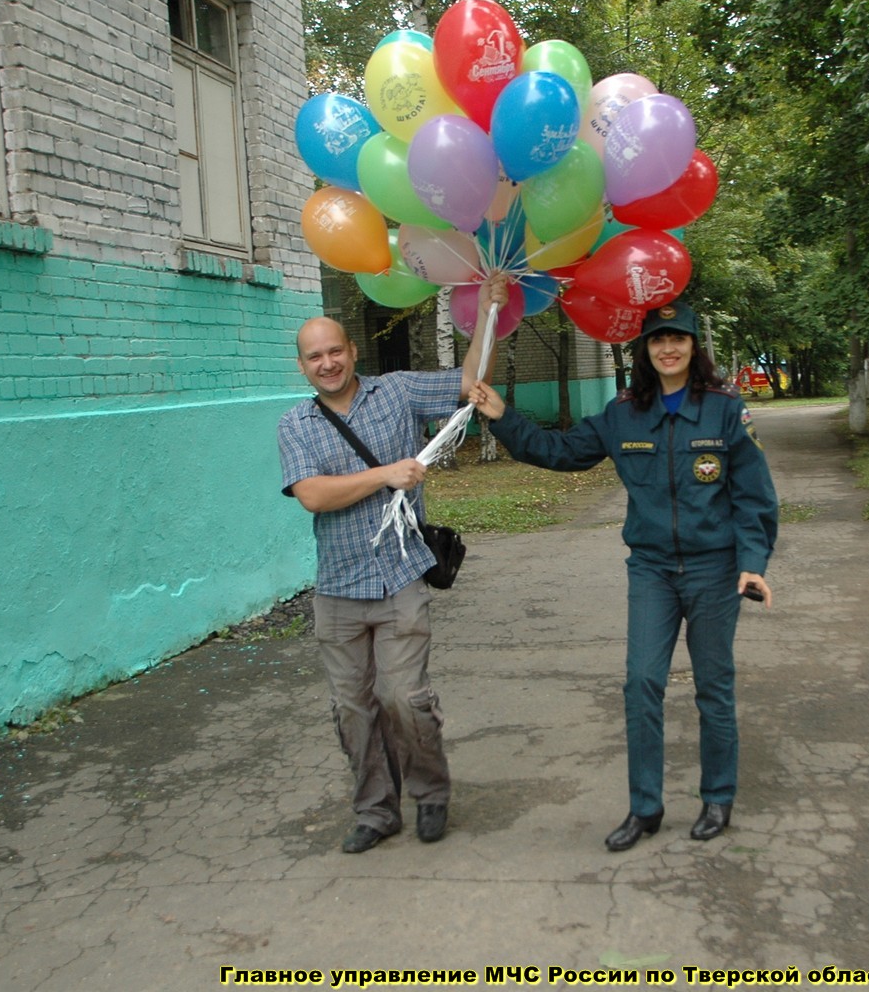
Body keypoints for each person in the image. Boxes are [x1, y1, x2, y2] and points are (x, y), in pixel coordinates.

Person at [469, 301, 778, 851]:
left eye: (678, 338)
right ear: (646, 350)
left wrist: (753, 564)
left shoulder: (726, 413)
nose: (668, 348)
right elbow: (560, 451)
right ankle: (645, 809)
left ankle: (718, 798)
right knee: (641, 683)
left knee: (714, 687)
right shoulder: (624, 413)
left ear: (691, 346)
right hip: (653, 570)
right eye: (658, 340)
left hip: (715, 569)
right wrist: (502, 415)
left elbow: (754, 497)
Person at [278, 278, 506, 854]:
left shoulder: (398, 392)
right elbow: (312, 495)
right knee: (353, 709)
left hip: (401, 577)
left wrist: (485, 311)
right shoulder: (296, 426)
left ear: (353, 352)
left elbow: (470, 383)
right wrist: (385, 474)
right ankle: (376, 812)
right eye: (315, 357)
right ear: (303, 367)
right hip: (338, 588)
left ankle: (430, 793)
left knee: (406, 698)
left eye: (335, 351)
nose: (327, 363)